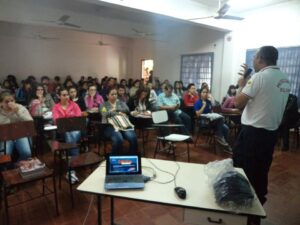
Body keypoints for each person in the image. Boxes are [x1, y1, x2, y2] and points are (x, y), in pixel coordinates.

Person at [233, 46, 290, 225]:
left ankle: (242, 209)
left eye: (255, 57)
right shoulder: (284, 79)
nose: (253, 61)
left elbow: (238, 102)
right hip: (271, 134)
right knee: (261, 171)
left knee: (243, 171)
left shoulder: (259, 77)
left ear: (261, 59)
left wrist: (242, 85)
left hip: (252, 135)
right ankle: (257, 211)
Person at [52, 87, 83, 184]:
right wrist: (68, 122)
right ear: (59, 96)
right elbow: (56, 121)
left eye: (67, 95)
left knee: (71, 136)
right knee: (70, 137)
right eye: (64, 95)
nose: (66, 97)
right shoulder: (56, 107)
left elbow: (78, 117)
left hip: (75, 129)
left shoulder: (74, 105)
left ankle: (71, 169)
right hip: (63, 130)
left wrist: (67, 121)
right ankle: (73, 167)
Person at [100, 87, 138, 154]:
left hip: (123, 124)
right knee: (118, 139)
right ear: (107, 96)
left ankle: (132, 155)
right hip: (110, 126)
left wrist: (116, 110)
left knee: (132, 137)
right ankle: (116, 157)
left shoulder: (120, 102)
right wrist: (119, 113)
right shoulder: (103, 105)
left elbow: (127, 110)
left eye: (115, 94)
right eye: (112, 94)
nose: (115, 96)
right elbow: (104, 114)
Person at [194, 87, 231, 151]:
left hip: (211, 121)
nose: (205, 94)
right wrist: (203, 106)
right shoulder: (197, 102)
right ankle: (220, 139)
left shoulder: (209, 102)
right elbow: (197, 114)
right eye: (203, 92)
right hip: (203, 122)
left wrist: (212, 101)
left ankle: (223, 144)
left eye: (206, 92)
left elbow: (212, 111)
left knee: (226, 128)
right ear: (200, 93)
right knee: (220, 121)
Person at [0, 91, 33, 160]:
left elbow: (30, 121)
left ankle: (18, 165)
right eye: (6, 101)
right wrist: (9, 114)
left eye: (12, 100)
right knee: (4, 156)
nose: (10, 103)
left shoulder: (20, 108)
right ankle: (8, 168)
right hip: (5, 136)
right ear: (1, 103)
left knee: (26, 153)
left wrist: (18, 112)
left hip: (20, 134)